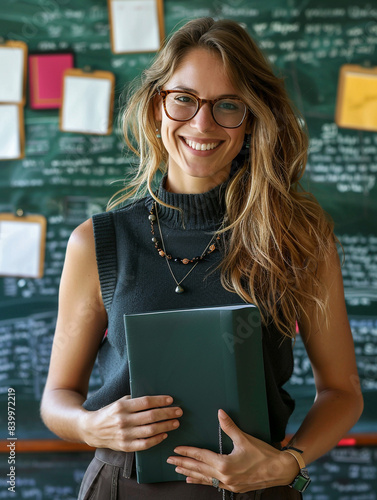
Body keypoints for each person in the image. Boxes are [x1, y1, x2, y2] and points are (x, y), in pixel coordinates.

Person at [41, 17, 363, 499]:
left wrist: (288, 463)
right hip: (121, 487)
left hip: (257, 490)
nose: (202, 124)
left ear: (253, 118)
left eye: (228, 105)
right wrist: (91, 426)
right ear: (156, 107)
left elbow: (343, 393)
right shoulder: (96, 242)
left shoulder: (300, 238)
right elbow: (55, 400)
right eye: (184, 99)